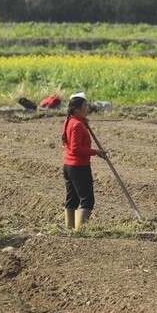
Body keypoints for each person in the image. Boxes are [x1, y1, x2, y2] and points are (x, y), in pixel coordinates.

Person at [62, 94, 106, 230]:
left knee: (72, 199)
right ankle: (80, 231)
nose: (87, 109)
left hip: (69, 166)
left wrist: (84, 124)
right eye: (85, 107)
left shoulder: (70, 121)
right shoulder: (77, 125)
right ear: (76, 110)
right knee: (87, 200)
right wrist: (95, 152)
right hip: (79, 167)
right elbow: (76, 148)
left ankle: (70, 229)